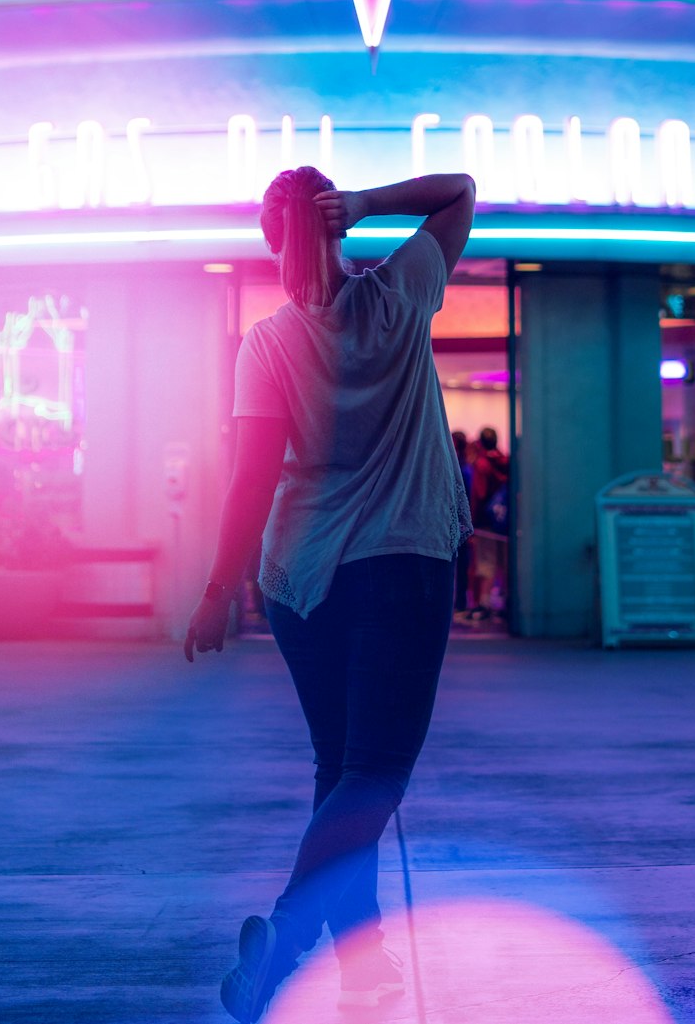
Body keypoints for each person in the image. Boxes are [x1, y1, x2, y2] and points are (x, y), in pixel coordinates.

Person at [184, 166, 476, 1022]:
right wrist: (373, 205)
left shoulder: (267, 343)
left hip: (303, 579)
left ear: (272, 243)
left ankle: (361, 962)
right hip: (406, 565)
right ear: (337, 224)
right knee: (374, 774)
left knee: (342, 771)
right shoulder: (401, 292)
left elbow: (250, 482)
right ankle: (287, 932)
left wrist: (215, 590)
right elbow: (460, 189)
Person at [468, 427, 509, 620]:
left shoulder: (482, 464)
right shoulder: (505, 461)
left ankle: (484, 603)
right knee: (505, 563)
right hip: (505, 521)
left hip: (486, 523)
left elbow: (480, 494)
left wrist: (472, 522)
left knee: (486, 564)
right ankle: (507, 602)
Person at [451, 431, 473, 616]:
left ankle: (460, 601)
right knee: (462, 563)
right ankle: (460, 600)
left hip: (459, 522)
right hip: (461, 521)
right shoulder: (465, 467)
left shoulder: (460, 468)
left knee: (461, 562)